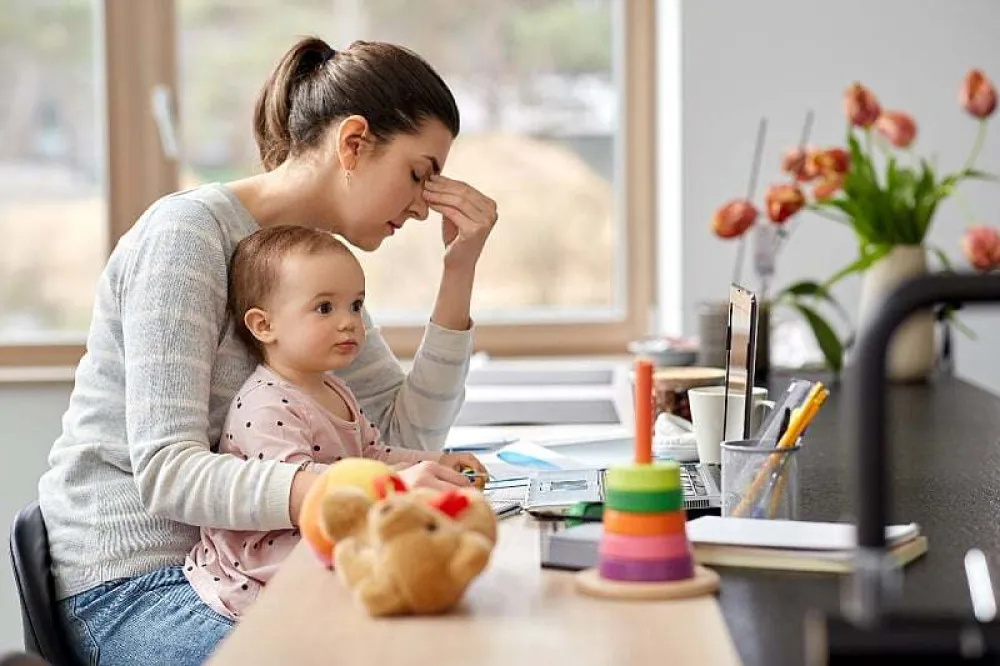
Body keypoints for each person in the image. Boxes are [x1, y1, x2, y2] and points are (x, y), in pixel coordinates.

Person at [38, 36, 497, 666]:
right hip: (140, 580)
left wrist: (459, 271)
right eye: (419, 175)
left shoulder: (310, 268)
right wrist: (368, 486)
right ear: (353, 143)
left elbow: (401, 435)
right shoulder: (186, 237)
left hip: (254, 568)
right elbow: (168, 473)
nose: (423, 207)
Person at [184, 224, 480, 621]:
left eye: (355, 305)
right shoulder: (265, 404)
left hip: (324, 525)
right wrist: (395, 485)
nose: (349, 322)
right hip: (264, 558)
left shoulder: (335, 388)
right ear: (264, 326)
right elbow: (300, 489)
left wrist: (435, 462)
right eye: (325, 308)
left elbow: (374, 454)